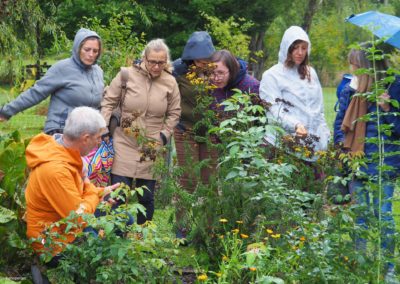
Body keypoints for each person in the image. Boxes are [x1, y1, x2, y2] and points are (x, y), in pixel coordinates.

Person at [335, 45, 400, 281]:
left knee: (383, 213)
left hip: (385, 163)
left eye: (355, 64)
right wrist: (343, 151)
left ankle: (388, 267)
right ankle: (360, 262)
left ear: (368, 65)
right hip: (357, 163)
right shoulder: (350, 88)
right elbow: (340, 123)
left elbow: (399, 130)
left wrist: (387, 108)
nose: (352, 69)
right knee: (360, 214)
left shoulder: (394, 85)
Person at [101, 39, 181, 225]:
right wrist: (103, 128)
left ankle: (142, 235)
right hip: (124, 140)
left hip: (151, 143)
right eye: (152, 61)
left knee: (146, 195)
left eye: (161, 62)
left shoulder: (170, 82)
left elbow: (175, 112)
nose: (156, 66)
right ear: (144, 58)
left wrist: (164, 135)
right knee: (119, 193)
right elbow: (109, 101)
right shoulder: (126, 75)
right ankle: (117, 233)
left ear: (166, 61)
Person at [25, 107, 120, 263]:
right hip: (49, 242)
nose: (100, 141)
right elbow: (78, 218)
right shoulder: (55, 170)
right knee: (96, 245)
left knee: (123, 218)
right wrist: (95, 194)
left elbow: (79, 191)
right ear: (86, 138)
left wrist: (101, 192)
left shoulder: (63, 149)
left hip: (63, 222)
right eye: (98, 137)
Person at [0, 28, 104, 135]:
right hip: (62, 130)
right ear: (78, 49)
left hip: (87, 133)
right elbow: (36, 93)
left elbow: (100, 103)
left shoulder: (98, 72)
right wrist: (6, 112)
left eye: (95, 51)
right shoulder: (62, 68)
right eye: (87, 50)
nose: (91, 54)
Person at [259, 26, 330, 160]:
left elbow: (319, 109)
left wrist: (325, 135)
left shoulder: (311, 73)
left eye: (304, 48)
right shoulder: (272, 75)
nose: (300, 52)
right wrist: (295, 124)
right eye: (295, 47)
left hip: (311, 147)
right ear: (287, 47)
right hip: (282, 147)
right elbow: (274, 110)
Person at [172, 31, 215, 239]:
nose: (201, 62)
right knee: (187, 180)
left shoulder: (216, 68)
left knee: (210, 182)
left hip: (211, 133)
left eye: (205, 58)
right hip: (185, 130)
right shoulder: (179, 69)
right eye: (198, 58)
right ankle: (182, 227)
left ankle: (209, 227)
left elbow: (237, 69)